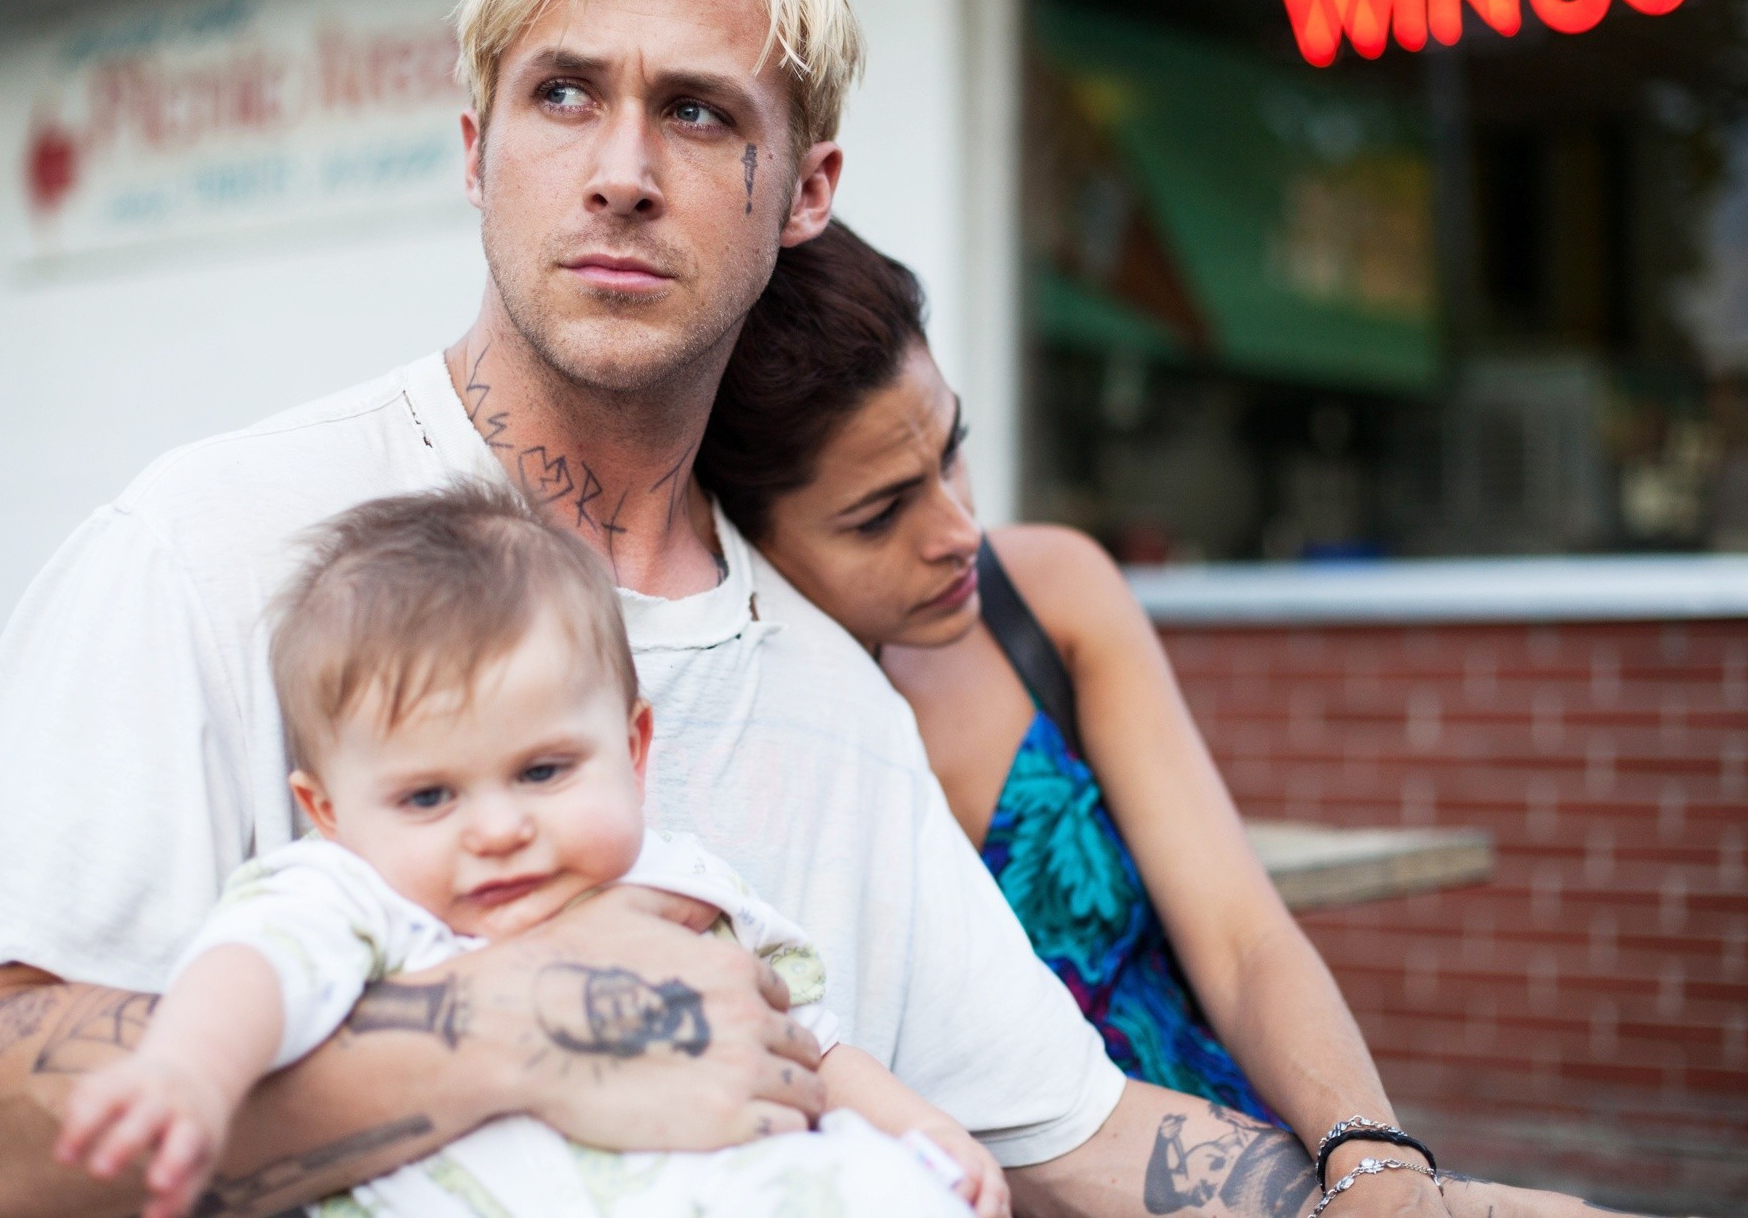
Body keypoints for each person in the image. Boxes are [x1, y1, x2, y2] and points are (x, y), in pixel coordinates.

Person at [0, 0, 1155, 1215]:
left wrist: (1374, 1173)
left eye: (698, 111)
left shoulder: (836, 698)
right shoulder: (207, 550)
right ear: (475, 148)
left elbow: (1072, 1132)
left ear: (807, 191)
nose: (621, 169)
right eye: (562, 95)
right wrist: (527, 1026)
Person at [697, 221, 1654, 1218]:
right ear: (746, 533)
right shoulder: (739, 739)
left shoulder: (1046, 595)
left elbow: (1239, 935)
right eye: (879, 511)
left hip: (1248, 1171)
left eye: (953, 451)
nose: (956, 529)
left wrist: (1374, 1161)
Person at [52, 483, 1005, 1218]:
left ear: (632, 751)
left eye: (544, 771)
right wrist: (187, 1072)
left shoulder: (678, 885)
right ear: (329, 810)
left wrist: (918, 1124)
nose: (499, 827)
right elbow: (252, 969)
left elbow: (808, 1042)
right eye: (428, 795)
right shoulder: (355, 898)